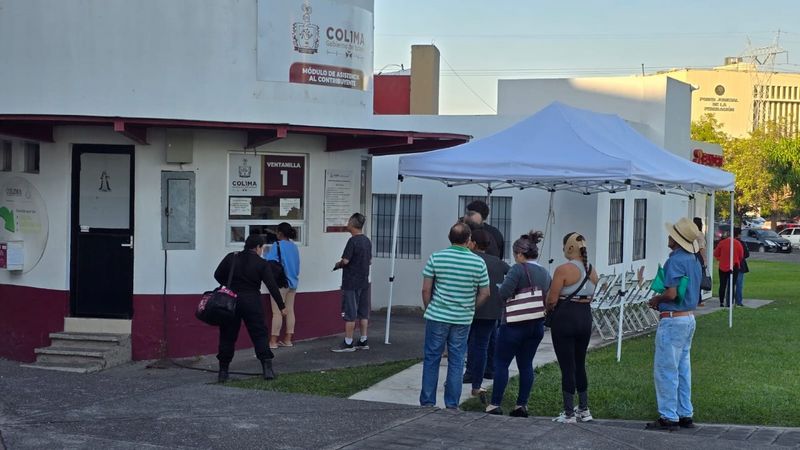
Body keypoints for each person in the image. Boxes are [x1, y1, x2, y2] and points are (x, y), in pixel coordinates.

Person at [420, 222, 490, 409]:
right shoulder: (478, 262)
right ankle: (452, 404)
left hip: (437, 315)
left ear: (450, 238)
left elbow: (426, 289)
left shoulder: (436, 257)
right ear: (468, 240)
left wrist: (430, 309)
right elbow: (485, 293)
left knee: (432, 358)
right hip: (462, 318)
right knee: (457, 360)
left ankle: (427, 402)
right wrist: (471, 308)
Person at [645, 217, 702, 431]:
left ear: (677, 239)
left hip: (673, 319)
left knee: (666, 369)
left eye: (672, 234)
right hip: (688, 317)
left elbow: (671, 292)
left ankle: (668, 416)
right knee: (682, 368)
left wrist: (656, 300)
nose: (668, 237)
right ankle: (685, 412)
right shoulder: (694, 259)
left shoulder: (675, 260)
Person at [485, 231, 550, 418]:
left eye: (515, 254)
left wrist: (502, 287)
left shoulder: (518, 268)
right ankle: (521, 405)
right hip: (536, 325)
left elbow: (504, 292)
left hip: (514, 324)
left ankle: (494, 404)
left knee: (501, 363)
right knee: (526, 365)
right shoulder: (545, 272)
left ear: (520, 254)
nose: (515, 258)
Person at [213, 234, 285, 383]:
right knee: (259, 334)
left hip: (231, 301)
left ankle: (223, 372)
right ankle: (267, 370)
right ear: (258, 247)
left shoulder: (231, 257)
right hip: (252, 301)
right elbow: (272, 286)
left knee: (227, 335)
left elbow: (217, 275)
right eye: (262, 248)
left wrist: (229, 284)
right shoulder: (261, 263)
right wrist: (281, 306)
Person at [546, 232, 598, 424]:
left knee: (567, 366)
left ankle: (568, 413)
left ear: (568, 248)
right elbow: (592, 295)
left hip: (566, 318)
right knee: (580, 363)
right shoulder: (592, 270)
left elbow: (552, 299)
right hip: (585, 317)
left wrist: (548, 309)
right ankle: (584, 409)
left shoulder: (563, 269)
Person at [463, 229, 509, 398]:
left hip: (469, 308)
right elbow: (511, 274)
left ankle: (470, 374)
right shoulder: (497, 262)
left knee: (467, 344)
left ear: (473, 243)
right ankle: (479, 381)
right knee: (484, 344)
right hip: (492, 310)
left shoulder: (469, 259)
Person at [331, 213, 372, 352]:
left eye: (348, 221)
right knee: (363, 312)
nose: (347, 224)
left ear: (353, 224)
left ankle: (348, 342)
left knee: (350, 313)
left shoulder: (352, 241)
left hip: (351, 282)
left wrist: (338, 264)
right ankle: (363, 340)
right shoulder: (367, 241)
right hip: (364, 281)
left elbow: (346, 261)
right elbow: (370, 261)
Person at [265, 223, 300, 349]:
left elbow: (269, 260)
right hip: (293, 283)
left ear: (279, 233)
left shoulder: (277, 245)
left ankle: (273, 342)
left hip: (280, 284)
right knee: (290, 310)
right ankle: (288, 340)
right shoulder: (294, 247)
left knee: (277, 313)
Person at [713, 227, 744, 307]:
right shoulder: (737, 243)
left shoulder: (722, 243)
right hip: (734, 266)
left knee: (722, 284)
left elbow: (716, 254)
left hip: (722, 266)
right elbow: (741, 256)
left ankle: (721, 302)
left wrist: (720, 258)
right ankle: (729, 302)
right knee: (732, 284)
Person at [693, 217, 707, 307]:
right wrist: (704, 259)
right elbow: (701, 248)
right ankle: (699, 299)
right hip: (698, 256)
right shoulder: (699, 234)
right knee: (699, 278)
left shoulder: (691, 234)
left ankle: (695, 298)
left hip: (691, 255)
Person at [734, 227, 750, 307]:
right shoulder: (742, 243)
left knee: (730, 284)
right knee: (739, 284)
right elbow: (746, 254)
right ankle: (738, 301)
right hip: (740, 266)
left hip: (730, 265)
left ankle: (729, 300)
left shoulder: (729, 242)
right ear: (739, 234)